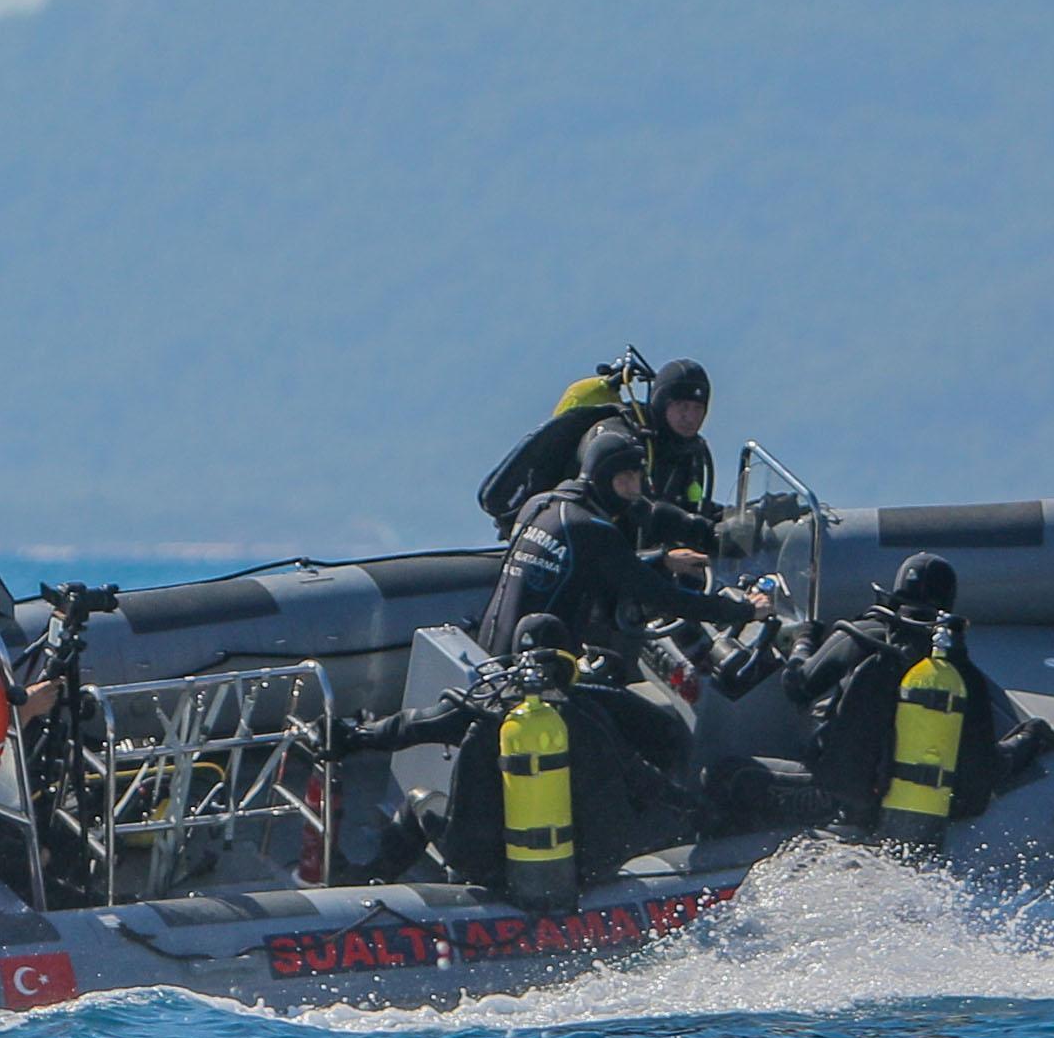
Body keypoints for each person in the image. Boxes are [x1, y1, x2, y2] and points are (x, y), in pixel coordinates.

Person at [326, 616, 688, 908]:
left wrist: (349, 736)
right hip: (597, 863)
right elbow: (664, 746)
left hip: (482, 866)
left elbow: (408, 726)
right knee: (659, 804)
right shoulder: (599, 706)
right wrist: (703, 813)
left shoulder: (480, 706)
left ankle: (365, 886)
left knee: (420, 800)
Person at [786, 552, 1054, 849]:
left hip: (838, 804)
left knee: (735, 776)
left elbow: (796, 685)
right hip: (917, 818)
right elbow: (984, 767)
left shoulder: (859, 636)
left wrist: (803, 639)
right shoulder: (959, 673)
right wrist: (1029, 738)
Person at [481, 419, 769, 676]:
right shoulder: (592, 529)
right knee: (661, 729)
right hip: (539, 673)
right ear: (604, 477)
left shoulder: (541, 505)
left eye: (637, 478)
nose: (634, 490)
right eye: (625, 479)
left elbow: (595, 564)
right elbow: (663, 597)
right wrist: (742, 610)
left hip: (492, 653)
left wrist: (663, 560)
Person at [473, 355, 734, 561]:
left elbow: (688, 503)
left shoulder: (690, 454)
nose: (690, 417)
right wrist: (691, 527)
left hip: (634, 557)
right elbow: (628, 506)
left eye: (697, 408)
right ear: (662, 403)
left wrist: (731, 520)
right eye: (681, 407)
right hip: (576, 551)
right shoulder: (617, 439)